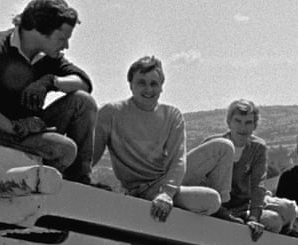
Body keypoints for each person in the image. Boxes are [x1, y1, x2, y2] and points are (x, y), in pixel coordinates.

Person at [0, 0, 97, 183]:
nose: (66, 46)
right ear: (40, 30)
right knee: (64, 149)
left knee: (83, 101)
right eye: (61, 39)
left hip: (31, 128)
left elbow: (84, 83)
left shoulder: (48, 57)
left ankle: (79, 179)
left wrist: (50, 82)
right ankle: (38, 181)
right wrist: (12, 127)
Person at [92, 56, 234, 222]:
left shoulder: (172, 115)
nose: (148, 89)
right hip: (143, 190)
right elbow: (91, 154)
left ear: (161, 87)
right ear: (130, 85)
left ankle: (222, 212)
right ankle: (209, 206)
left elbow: (178, 159)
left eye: (154, 84)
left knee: (223, 147)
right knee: (210, 199)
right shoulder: (111, 113)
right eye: (141, 83)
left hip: (166, 181)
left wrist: (167, 193)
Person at [192, 99, 298, 240]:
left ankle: (287, 238)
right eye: (238, 121)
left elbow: (258, 184)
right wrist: (224, 212)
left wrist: (254, 217)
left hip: (243, 205)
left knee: (285, 212)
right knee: (274, 221)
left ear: (254, 126)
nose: (242, 127)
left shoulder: (257, 148)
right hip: (217, 205)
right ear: (229, 122)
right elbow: (200, 181)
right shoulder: (215, 144)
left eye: (248, 123)